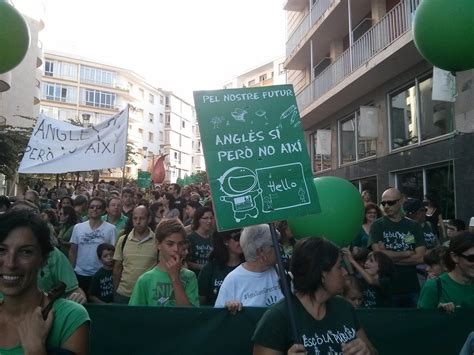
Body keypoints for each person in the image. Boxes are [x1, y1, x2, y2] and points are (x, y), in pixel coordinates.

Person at [252, 237, 377, 355]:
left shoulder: (344, 307)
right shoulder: (277, 319)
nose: (344, 273)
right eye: (339, 267)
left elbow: (372, 350)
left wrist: (366, 350)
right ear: (322, 274)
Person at [0, 210, 90, 354]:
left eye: (25, 252)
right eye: (1, 250)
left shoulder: (70, 317)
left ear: (43, 259)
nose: (10, 264)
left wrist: (36, 350)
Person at [368, 187, 426, 307]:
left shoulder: (413, 226)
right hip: (387, 288)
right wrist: (406, 253)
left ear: (400, 202)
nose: (386, 206)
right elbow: (379, 257)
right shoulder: (377, 225)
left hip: (411, 287)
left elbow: (420, 258)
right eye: (384, 203)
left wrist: (388, 257)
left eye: (391, 202)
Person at [129, 219, 199, 307]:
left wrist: (175, 278)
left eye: (180, 244)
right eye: (170, 244)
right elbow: (134, 315)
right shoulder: (145, 280)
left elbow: (189, 315)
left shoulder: (189, 277)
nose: (176, 249)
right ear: (158, 244)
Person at [214, 224, 283, 313]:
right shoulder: (233, 280)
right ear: (260, 251)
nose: (280, 248)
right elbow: (218, 316)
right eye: (275, 245)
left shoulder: (279, 270)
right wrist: (229, 307)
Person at [69, 197, 116, 294]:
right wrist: (72, 271)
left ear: (104, 211)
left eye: (98, 207)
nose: (95, 209)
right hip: (80, 273)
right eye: (92, 207)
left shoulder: (111, 229)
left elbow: (113, 253)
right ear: (88, 209)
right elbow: (73, 251)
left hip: (101, 274)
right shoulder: (78, 227)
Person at [417, 233, 474, 312]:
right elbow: (421, 321)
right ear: (455, 257)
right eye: (472, 258)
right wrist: (438, 315)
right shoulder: (434, 287)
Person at [113, 206, 157, 304]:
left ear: (149, 219)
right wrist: (116, 290)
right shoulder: (123, 240)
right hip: (124, 295)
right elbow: (117, 268)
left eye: (142, 218)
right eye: (135, 218)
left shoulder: (157, 241)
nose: (138, 222)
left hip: (148, 295)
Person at [198, 229, 244, 306]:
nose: (241, 241)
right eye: (237, 237)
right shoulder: (210, 268)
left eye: (243, 237)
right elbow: (201, 301)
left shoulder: (250, 265)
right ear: (225, 241)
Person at [186, 207, 215, 275]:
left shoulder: (214, 238)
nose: (209, 221)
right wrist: (202, 267)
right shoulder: (190, 238)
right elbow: (186, 261)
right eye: (205, 218)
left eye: (211, 218)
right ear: (198, 220)